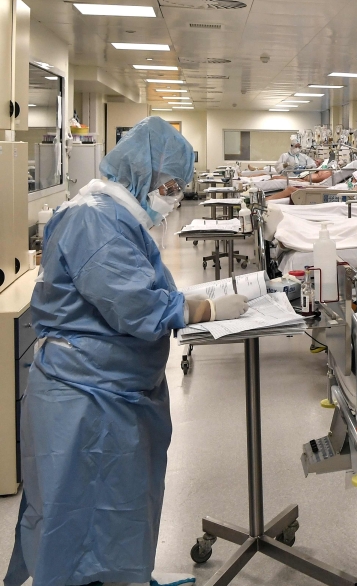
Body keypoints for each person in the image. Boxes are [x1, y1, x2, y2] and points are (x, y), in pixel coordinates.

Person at [4, 117, 249, 586]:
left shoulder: (117, 216)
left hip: (112, 389)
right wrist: (208, 308)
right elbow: (136, 306)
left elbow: (141, 286)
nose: (174, 197)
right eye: (171, 186)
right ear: (143, 173)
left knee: (117, 513)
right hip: (84, 397)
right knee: (78, 516)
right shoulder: (94, 221)